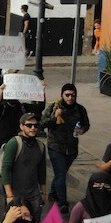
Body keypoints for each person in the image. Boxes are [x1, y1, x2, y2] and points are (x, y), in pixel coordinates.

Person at [40, 83, 89, 214]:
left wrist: (83, 130)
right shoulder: (54, 107)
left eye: (73, 95)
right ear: (62, 95)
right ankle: (63, 202)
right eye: (67, 95)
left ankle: (53, 193)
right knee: (61, 175)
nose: (70, 98)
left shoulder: (80, 109)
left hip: (71, 149)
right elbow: (42, 124)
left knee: (60, 174)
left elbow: (86, 124)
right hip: (56, 147)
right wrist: (54, 116)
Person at [1, 112, 48, 220]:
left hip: (34, 195)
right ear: (21, 126)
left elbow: (42, 171)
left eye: (36, 126)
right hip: (16, 195)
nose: (33, 128)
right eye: (29, 125)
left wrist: (43, 193)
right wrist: (9, 196)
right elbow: (6, 170)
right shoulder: (14, 143)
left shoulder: (41, 146)